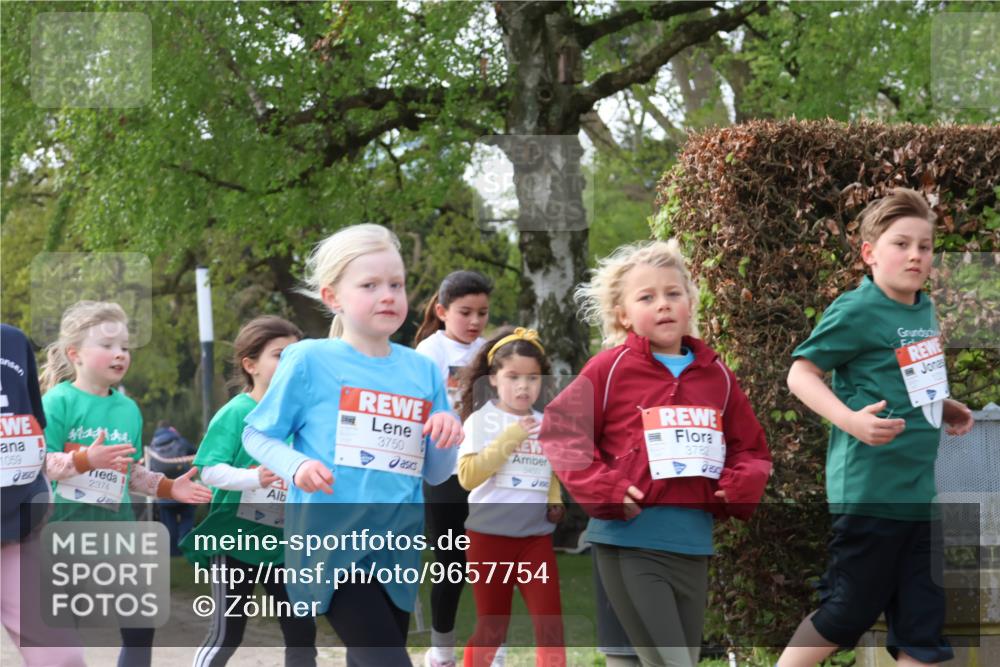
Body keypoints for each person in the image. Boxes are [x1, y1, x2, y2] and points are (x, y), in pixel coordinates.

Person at [539, 239, 772, 667]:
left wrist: (740, 484)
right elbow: (561, 431)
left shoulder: (718, 375)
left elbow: (750, 448)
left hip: (694, 542)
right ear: (624, 314)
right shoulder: (607, 369)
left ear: (689, 304)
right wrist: (604, 488)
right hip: (631, 538)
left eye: (673, 293)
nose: (662, 304)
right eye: (647, 297)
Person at [241, 224, 464, 667]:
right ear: (332, 297)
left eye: (396, 284)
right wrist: (296, 465)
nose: (387, 295)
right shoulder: (308, 359)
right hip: (331, 546)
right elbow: (256, 434)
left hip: (397, 549)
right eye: (370, 285)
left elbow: (437, 471)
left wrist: (445, 428)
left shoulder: (421, 370)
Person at [776, 188, 974, 667]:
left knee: (923, 631)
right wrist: (850, 421)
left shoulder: (922, 309)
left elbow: (909, 380)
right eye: (901, 244)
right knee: (848, 611)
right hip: (870, 492)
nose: (915, 255)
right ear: (869, 253)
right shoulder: (857, 309)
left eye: (924, 247)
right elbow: (800, 373)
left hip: (918, 494)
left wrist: (942, 405)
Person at [39, 301, 212, 667]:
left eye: (125, 347)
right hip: (62, 534)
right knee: (61, 641)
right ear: (75, 354)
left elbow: (128, 471)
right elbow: (41, 464)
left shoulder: (127, 409)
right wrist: (85, 459)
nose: (120, 354)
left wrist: (168, 488)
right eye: (107, 346)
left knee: (140, 627)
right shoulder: (57, 402)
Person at [182, 315, 317, 667]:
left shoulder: (301, 417)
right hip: (235, 540)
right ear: (250, 364)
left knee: (303, 634)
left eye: (295, 356)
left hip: (285, 543)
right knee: (228, 633)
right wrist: (255, 478)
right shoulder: (236, 412)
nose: (288, 363)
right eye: (279, 354)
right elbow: (209, 471)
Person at [456, 327, 565, 667]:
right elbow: (468, 477)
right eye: (513, 376)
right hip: (488, 539)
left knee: (551, 628)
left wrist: (554, 498)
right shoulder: (481, 420)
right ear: (492, 379)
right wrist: (513, 435)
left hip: (535, 539)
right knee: (492, 629)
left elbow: (548, 468)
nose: (523, 386)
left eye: (533, 378)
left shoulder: (547, 422)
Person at [414, 270, 492, 667]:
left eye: (482, 312)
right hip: (444, 473)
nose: (475, 321)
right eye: (466, 312)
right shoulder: (429, 353)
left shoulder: (493, 351)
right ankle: (442, 651)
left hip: (488, 471)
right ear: (442, 311)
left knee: (494, 560)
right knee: (450, 563)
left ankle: (491, 649)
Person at [1, 323, 87, 667]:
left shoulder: (12, 341)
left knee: (63, 657)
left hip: (17, 526)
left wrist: (40, 492)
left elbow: (30, 426)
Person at [148, 420, 197, 555]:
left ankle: (173, 552)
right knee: (187, 517)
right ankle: (185, 544)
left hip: (164, 490)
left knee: (169, 523)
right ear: (171, 429)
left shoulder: (152, 446)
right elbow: (196, 452)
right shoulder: (179, 440)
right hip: (184, 488)